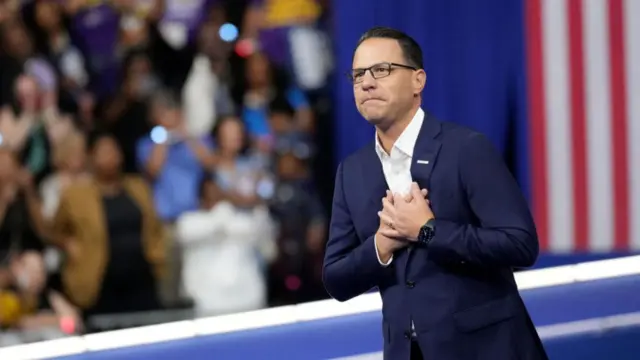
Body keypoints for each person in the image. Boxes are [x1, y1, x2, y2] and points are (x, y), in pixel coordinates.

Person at [322, 27, 548, 360]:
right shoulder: (352, 171)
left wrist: (428, 231)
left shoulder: (466, 148)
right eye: (357, 75)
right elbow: (335, 279)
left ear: (418, 80)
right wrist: (382, 245)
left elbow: (520, 245)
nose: (366, 82)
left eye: (381, 70)